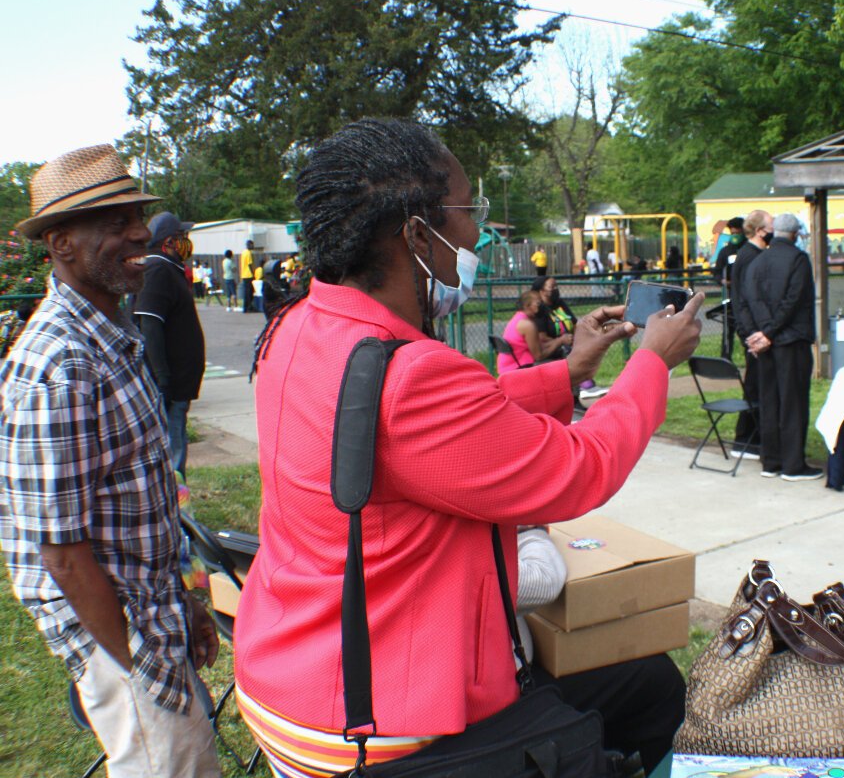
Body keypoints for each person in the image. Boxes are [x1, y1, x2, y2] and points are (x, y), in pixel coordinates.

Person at [233, 118, 703, 776]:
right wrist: (651, 363)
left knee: (644, 683)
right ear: (416, 235)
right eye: (465, 212)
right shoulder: (413, 372)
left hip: (288, 675)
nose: (475, 233)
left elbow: (452, 426)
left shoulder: (298, 326)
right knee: (654, 699)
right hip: (373, 722)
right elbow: (578, 469)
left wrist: (567, 372)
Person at [1, 145, 220, 777]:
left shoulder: (109, 335)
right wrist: (136, 669)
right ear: (62, 242)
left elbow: (141, 504)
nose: (139, 233)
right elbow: (64, 556)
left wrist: (182, 605)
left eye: (138, 216)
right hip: (113, 631)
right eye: (116, 220)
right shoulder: (59, 366)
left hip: (145, 610)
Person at [515, 527, 684, 773]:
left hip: (495, 682)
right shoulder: (446, 511)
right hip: (494, 704)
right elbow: (540, 581)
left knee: (648, 672)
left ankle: (613, 756)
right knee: (658, 681)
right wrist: (532, 529)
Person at [743, 213, 821, 481]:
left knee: (769, 400)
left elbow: (752, 299)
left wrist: (764, 333)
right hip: (791, 340)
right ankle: (793, 465)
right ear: (796, 234)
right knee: (793, 402)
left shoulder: (758, 261)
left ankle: (771, 461)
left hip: (766, 344)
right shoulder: (799, 260)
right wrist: (771, 332)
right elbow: (794, 299)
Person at [134, 211, 206, 480]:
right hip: (170, 384)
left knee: (176, 440)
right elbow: (149, 325)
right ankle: (177, 509)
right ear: (169, 243)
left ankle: (177, 504)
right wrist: (162, 379)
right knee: (172, 449)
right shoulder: (157, 269)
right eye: (181, 238)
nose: (185, 243)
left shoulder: (167, 268)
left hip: (177, 383)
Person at [729, 209, 773, 459]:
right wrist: (752, 333)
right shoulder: (749, 257)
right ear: (759, 230)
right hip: (751, 330)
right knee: (755, 385)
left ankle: (749, 438)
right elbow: (745, 299)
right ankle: (746, 439)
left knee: (756, 383)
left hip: (751, 328)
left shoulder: (752, 255)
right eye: (770, 225)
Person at [499, 291, 572, 374]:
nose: (542, 305)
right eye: (538, 303)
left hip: (510, 366)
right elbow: (539, 356)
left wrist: (560, 340)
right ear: (527, 306)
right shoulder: (527, 325)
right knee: (564, 366)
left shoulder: (518, 318)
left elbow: (540, 345)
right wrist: (560, 341)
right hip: (516, 369)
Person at [712, 217, 745, 360]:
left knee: (745, 330)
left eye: (738, 232)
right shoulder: (725, 251)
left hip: (746, 298)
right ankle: (725, 359)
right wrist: (723, 280)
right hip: (730, 297)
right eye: (732, 233)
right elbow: (717, 272)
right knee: (728, 331)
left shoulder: (748, 250)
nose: (735, 235)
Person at [239, 238, 256, 313]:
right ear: (249, 245)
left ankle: (246, 307)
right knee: (249, 292)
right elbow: (249, 264)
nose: (253, 246)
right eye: (252, 245)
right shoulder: (248, 253)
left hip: (244, 274)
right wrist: (253, 273)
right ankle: (248, 307)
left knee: (247, 292)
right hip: (248, 275)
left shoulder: (243, 252)